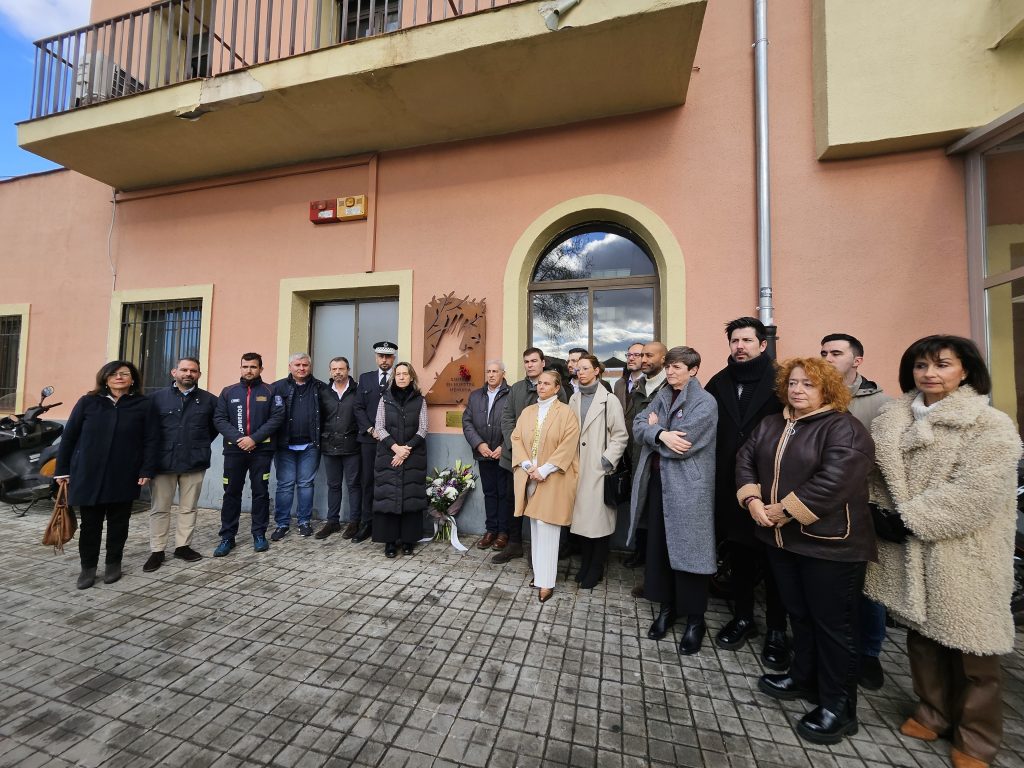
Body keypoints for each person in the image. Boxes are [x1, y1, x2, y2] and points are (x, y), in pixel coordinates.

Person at [866, 336, 1021, 768]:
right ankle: (932, 713)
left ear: (965, 370)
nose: (929, 373)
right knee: (923, 637)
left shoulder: (989, 424)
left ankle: (977, 739)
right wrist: (877, 512)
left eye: (942, 364)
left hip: (964, 551)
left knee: (974, 648)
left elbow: (977, 493)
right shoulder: (894, 419)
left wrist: (910, 517)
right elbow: (879, 477)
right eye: (921, 365)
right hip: (910, 549)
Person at [736, 357, 875, 745]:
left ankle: (839, 707)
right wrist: (752, 501)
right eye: (793, 383)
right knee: (800, 615)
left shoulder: (844, 428)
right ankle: (803, 677)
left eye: (808, 385)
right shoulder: (772, 423)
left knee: (835, 627)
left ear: (827, 390)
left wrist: (783, 510)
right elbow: (745, 460)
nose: (798, 390)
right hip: (781, 541)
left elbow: (836, 481)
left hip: (830, 546)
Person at [705, 317, 790, 669]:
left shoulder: (783, 382)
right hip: (729, 486)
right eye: (734, 341)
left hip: (773, 489)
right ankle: (742, 618)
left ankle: (776, 631)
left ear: (762, 345)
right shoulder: (718, 382)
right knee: (739, 559)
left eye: (747, 340)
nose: (740, 346)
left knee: (775, 566)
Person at [627, 346, 718, 654]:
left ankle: (695, 620)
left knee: (690, 553)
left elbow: (685, 443)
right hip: (659, 486)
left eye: (677, 367)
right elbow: (638, 425)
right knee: (661, 549)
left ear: (693, 370)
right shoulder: (664, 395)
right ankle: (667, 608)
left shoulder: (705, 403)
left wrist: (658, 433)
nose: (670, 372)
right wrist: (661, 433)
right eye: (668, 367)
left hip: (688, 491)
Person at [820, 333, 893, 690]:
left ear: (857, 360)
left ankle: (869, 653)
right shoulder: (817, 395)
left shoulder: (880, 404)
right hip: (819, 504)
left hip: (862, 505)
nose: (828, 357)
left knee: (867, 586)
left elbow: (886, 461)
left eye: (836, 352)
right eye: (824, 352)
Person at [55, 360, 159, 589]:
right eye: (114, 374)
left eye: (125, 374)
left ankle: (114, 563)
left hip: (124, 472)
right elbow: (69, 437)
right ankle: (88, 568)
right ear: (105, 377)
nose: (119, 377)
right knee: (90, 525)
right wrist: (62, 470)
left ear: (133, 379)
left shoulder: (143, 404)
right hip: (89, 473)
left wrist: (146, 469)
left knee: (119, 523)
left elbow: (151, 440)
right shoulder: (88, 402)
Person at [510, 369, 580, 602]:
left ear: (557, 387)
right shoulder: (528, 411)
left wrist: (546, 469)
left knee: (547, 525)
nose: (541, 386)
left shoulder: (566, 412)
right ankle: (540, 575)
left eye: (546, 383)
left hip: (553, 476)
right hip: (529, 474)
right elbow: (516, 437)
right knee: (534, 524)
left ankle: (547, 583)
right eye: (539, 383)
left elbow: (568, 445)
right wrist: (528, 465)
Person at [143, 357, 218, 573]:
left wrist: (198, 446)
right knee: (159, 509)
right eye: (184, 370)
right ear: (173, 372)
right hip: (162, 463)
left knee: (188, 508)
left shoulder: (209, 400)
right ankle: (157, 550)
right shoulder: (156, 399)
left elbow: (212, 429)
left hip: (194, 462)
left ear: (199, 375)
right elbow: (148, 431)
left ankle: (182, 546)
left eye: (193, 371)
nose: (188, 374)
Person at [495, 347, 569, 564]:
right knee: (513, 501)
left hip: (545, 461)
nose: (530, 365)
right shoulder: (516, 389)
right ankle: (514, 544)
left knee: (545, 504)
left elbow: (560, 422)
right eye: (526, 361)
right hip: (515, 458)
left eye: (534, 361)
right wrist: (516, 448)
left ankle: (542, 550)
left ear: (542, 362)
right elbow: (507, 418)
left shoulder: (558, 390)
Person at [212, 353, 286, 557]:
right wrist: (239, 439)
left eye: (253, 367)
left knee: (260, 493)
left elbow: (277, 418)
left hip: (261, 451)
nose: (249, 370)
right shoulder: (228, 392)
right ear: (240, 368)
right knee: (231, 493)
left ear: (261, 369)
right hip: (234, 451)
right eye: (245, 366)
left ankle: (259, 534)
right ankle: (227, 537)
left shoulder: (271, 391)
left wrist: (254, 439)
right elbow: (219, 419)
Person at [568, 354, 627, 588]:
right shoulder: (573, 399)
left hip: (597, 469)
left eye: (585, 368)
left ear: (596, 371)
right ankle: (586, 564)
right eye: (577, 368)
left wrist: (606, 461)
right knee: (582, 523)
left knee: (598, 523)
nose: (580, 372)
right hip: (576, 468)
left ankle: (596, 567)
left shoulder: (609, 400)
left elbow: (620, 435)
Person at [372, 361, 428, 557]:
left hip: (413, 456)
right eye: (398, 374)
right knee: (388, 496)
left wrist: (406, 450)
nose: (402, 377)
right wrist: (396, 448)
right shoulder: (384, 399)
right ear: (393, 377)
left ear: (411, 377)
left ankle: (408, 541)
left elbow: (423, 428)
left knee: (410, 499)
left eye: (405, 374)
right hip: (389, 454)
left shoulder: (420, 400)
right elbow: (379, 426)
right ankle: (389, 542)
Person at [623, 341, 667, 573]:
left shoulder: (668, 388)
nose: (644, 360)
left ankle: (654, 567)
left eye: (650, 355)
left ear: (664, 360)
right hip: (636, 457)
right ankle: (640, 553)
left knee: (655, 513)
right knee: (638, 506)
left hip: (660, 462)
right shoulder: (639, 387)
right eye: (643, 356)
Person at [270, 353, 324, 540]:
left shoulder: (319, 387)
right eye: (297, 365)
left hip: (310, 445)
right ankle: (282, 523)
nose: (301, 368)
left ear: (310, 366)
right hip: (285, 445)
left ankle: (304, 522)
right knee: (284, 485)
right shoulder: (277, 387)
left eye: (305, 365)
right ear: (290, 366)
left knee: (306, 484)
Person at [462, 360, 511, 549]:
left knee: (504, 494)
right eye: (488, 371)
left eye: (495, 371)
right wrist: (479, 444)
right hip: (484, 454)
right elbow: (467, 422)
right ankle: (491, 530)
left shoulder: (511, 394)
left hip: (503, 455)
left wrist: (504, 447)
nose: (491, 375)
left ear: (503, 374)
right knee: (489, 493)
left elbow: (517, 423)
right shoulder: (476, 396)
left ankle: (503, 533)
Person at [352, 341, 397, 543]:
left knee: (389, 482)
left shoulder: (400, 378)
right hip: (369, 440)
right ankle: (366, 523)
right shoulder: (365, 378)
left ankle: (386, 524)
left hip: (393, 440)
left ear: (393, 358)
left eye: (388, 356)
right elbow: (358, 407)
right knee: (367, 481)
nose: (384, 360)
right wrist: (371, 429)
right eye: (381, 356)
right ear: (376, 358)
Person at [315, 356, 362, 540]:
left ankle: (354, 522)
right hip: (330, 446)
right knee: (333, 485)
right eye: (334, 369)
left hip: (352, 446)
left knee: (353, 485)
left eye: (341, 369)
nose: (337, 372)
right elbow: (320, 419)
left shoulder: (357, 391)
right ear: (330, 372)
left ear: (348, 370)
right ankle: (332, 522)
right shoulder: (324, 392)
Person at [613, 342, 645, 410]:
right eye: (629, 355)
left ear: (644, 358)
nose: (631, 358)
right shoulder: (619, 384)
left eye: (636, 355)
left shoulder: (649, 383)